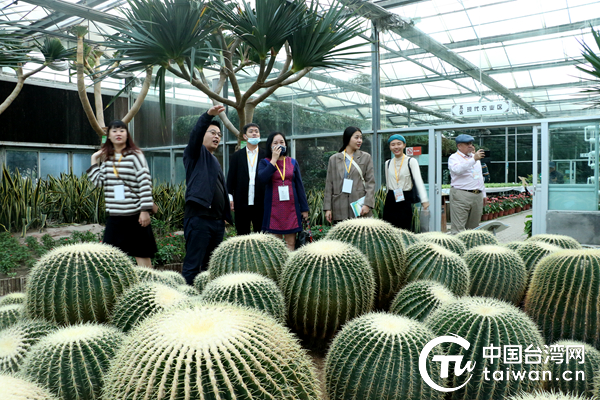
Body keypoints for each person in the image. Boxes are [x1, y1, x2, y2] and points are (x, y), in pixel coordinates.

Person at [88, 120, 157, 266]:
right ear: (109, 136)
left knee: (142, 255)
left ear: (127, 135)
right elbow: (98, 182)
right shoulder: (108, 159)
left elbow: (144, 183)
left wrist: (144, 211)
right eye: (114, 131)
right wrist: (94, 159)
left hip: (135, 216)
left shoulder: (135, 155)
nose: (118, 133)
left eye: (122, 130)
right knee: (110, 258)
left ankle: (149, 287)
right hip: (115, 217)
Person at [181, 105, 233, 285]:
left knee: (212, 267)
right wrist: (207, 116)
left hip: (217, 223)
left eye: (219, 134)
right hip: (199, 219)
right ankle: (187, 301)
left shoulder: (214, 161)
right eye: (213, 132)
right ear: (203, 133)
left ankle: (207, 300)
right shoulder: (194, 154)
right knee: (193, 266)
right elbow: (195, 134)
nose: (217, 136)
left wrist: (227, 208)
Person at [257, 132, 309, 251]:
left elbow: (299, 186)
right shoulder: (265, 162)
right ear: (270, 146)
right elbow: (262, 179)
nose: (279, 145)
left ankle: (289, 268)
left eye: (282, 142)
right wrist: (274, 160)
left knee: (291, 243)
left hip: (291, 208)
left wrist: (304, 209)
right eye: (275, 143)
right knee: (276, 245)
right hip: (274, 209)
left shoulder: (292, 162)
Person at [323, 126, 376, 224]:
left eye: (361, 138)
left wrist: (367, 204)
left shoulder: (366, 157)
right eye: (356, 137)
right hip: (339, 207)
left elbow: (370, 183)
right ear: (348, 138)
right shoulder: (334, 159)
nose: (359, 140)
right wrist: (328, 208)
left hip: (359, 207)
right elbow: (329, 185)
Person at [382, 134, 429, 231]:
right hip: (391, 198)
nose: (396, 147)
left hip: (405, 197)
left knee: (404, 228)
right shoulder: (388, 163)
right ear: (390, 147)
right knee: (388, 228)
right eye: (393, 144)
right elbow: (387, 182)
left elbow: (418, 180)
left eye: (399, 144)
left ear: (404, 145)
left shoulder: (411, 161)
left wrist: (424, 200)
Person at [226, 123, 267, 235]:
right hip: (241, 201)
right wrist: (230, 198)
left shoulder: (266, 154)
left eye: (256, 131)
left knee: (262, 235)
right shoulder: (237, 156)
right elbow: (231, 179)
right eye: (251, 131)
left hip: (261, 202)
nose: (254, 133)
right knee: (242, 235)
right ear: (245, 136)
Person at [448, 134, 487, 234]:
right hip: (461, 194)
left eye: (471, 143)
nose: (470, 146)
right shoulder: (454, 158)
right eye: (467, 144)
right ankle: (457, 249)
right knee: (458, 228)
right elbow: (457, 170)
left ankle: (471, 248)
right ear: (459, 146)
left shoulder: (475, 158)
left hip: (477, 195)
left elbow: (479, 177)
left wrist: (484, 194)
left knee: (474, 229)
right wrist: (473, 160)